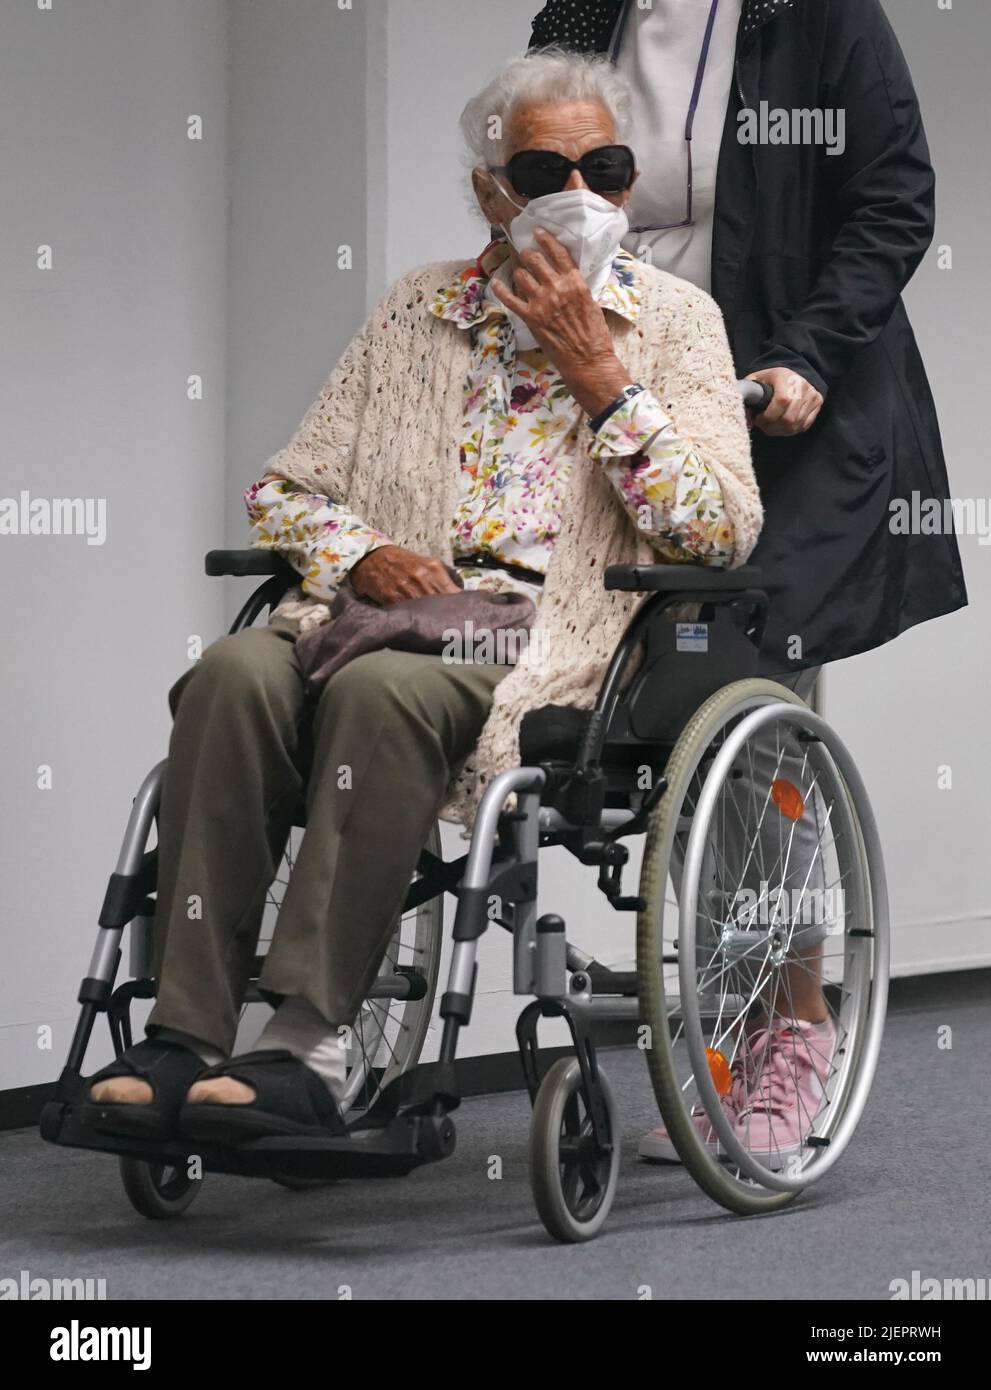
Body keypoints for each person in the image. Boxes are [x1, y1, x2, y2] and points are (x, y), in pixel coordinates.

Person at [82, 49, 761, 1144]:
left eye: (609, 167)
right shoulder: (419, 310)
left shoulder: (676, 324)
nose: (579, 194)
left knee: (385, 694)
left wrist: (604, 379)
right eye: (545, 167)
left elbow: (722, 528)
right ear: (490, 190)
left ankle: (309, 1036)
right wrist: (360, 555)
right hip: (373, 617)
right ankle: (185, 1033)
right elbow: (284, 488)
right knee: (233, 672)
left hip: (551, 638)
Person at [527, 0, 967, 1162]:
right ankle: (707, 1024)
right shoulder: (580, 8)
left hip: (781, 405)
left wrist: (813, 352)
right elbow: (532, 186)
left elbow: (892, 200)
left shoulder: (814, 13)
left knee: (749, 710)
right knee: (614, 695)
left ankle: (791, 1030)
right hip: (616, 393)